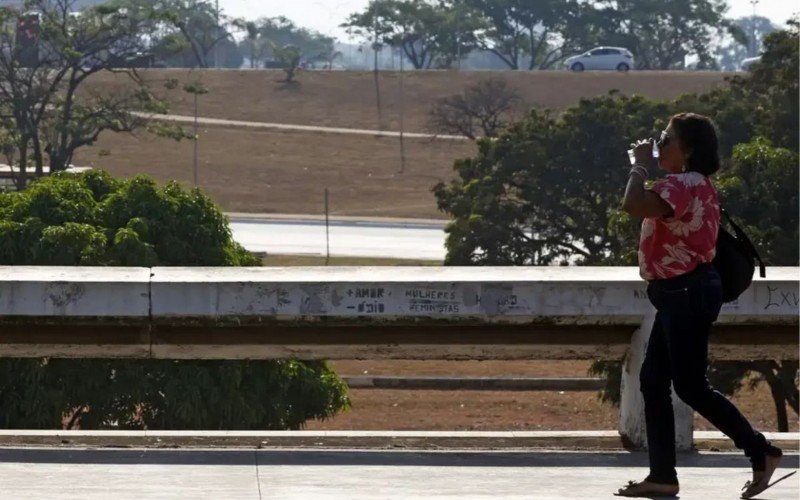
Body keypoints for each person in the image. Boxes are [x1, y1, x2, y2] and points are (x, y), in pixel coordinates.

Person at [614, 112, 783, 499]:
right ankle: (662, 476)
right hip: (681, 293)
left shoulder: (682, 184)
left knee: (689, 385)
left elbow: (633, 204)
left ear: (687, 150)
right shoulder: (695, 184)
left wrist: (638, 164)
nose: (660, 144)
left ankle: (761, 449)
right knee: (654, 382)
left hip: (686, 293)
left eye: (666, 139)